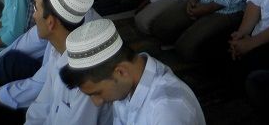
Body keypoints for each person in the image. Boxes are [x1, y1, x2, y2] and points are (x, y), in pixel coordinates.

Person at [60, 18, 205, 124]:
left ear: (121, 72)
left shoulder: (167, 111)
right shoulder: (125, 85)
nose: (97, 102)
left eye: (97, 93)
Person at [24, 0, 112, 124]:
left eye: (36, 9)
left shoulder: (86, 79)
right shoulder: (56, 52)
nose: (34, 16)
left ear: (50, 22)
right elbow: (41, 106)